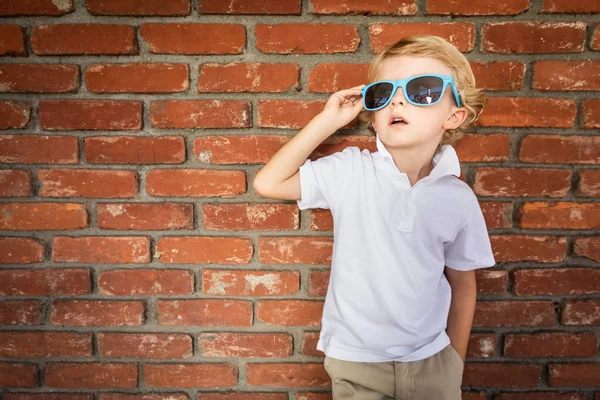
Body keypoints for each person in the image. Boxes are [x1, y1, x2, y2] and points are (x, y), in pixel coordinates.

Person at [253, 35, 496, 400]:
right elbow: (269, 182)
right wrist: (328, 121)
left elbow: (463, 283)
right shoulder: (351, 170)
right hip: (356, 364)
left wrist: (454, 361)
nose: (398, 99)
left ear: (454, 115)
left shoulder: (458, 198)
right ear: (374, 116)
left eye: (423, 90)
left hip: (432, 363)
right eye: (384, 92)